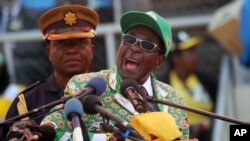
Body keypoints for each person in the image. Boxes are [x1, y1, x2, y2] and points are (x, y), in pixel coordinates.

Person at [41, 10, 190, 140]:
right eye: (129, 39)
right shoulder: (85, 85)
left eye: (147, 45)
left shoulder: (174, 100)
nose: (134, 48)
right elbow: (54, 131)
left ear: (159, 61)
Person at [0, 4, 99, 140]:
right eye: (62, 44)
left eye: (80, 43)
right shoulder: (27, 103)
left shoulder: (113, 94)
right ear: (49, 53)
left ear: (92, 50)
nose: (71, 50)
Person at [160, 31, 217, 141]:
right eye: (190, 52)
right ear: (176, 58)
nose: (195, 56)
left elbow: (220, 109)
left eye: (194, 51)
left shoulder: (207, 81)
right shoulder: (162, 85)